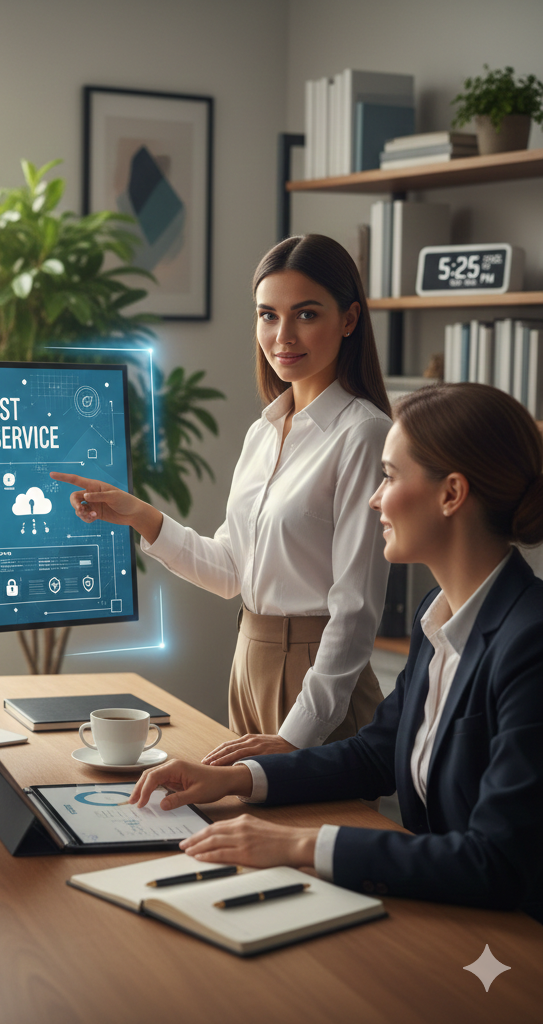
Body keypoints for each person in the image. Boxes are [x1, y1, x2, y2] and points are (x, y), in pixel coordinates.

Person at [129, 383, 543, 920]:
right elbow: (375, 754)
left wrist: (300, 846)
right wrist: (236, 778)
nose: (375, 498)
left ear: (451, 494)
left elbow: (499, 862)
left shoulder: (529, 642)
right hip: (445, 911)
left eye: (389, 476)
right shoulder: (437, 616)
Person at [53, 234, 392, 760]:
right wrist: (140, 516)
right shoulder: (265, 432)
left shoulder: (364, 435)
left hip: (318, 679)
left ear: (349, 320)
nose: (282, 335)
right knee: (246, 835)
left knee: (303, 833)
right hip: (248, 661)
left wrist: (295, 734)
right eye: (267, 315)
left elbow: (355, 612)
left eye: (305, 314)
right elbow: (230, 572)